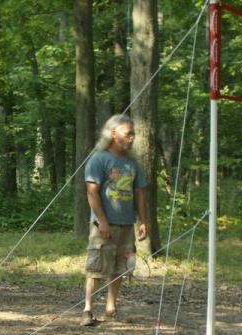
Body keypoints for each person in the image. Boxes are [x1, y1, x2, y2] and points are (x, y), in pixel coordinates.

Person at [80, 115, 147, 326]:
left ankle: (111, 307)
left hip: (127, 224)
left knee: (121, 267)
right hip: (103, 225)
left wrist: (143, 221)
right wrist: (103, 222)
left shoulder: (132, 164)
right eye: (128, 134)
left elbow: (139, 193)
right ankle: (88, 310)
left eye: (133, 134)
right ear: (113, 133)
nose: (131, 138)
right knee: (96, 266)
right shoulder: (99, 159)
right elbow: (92, 192)